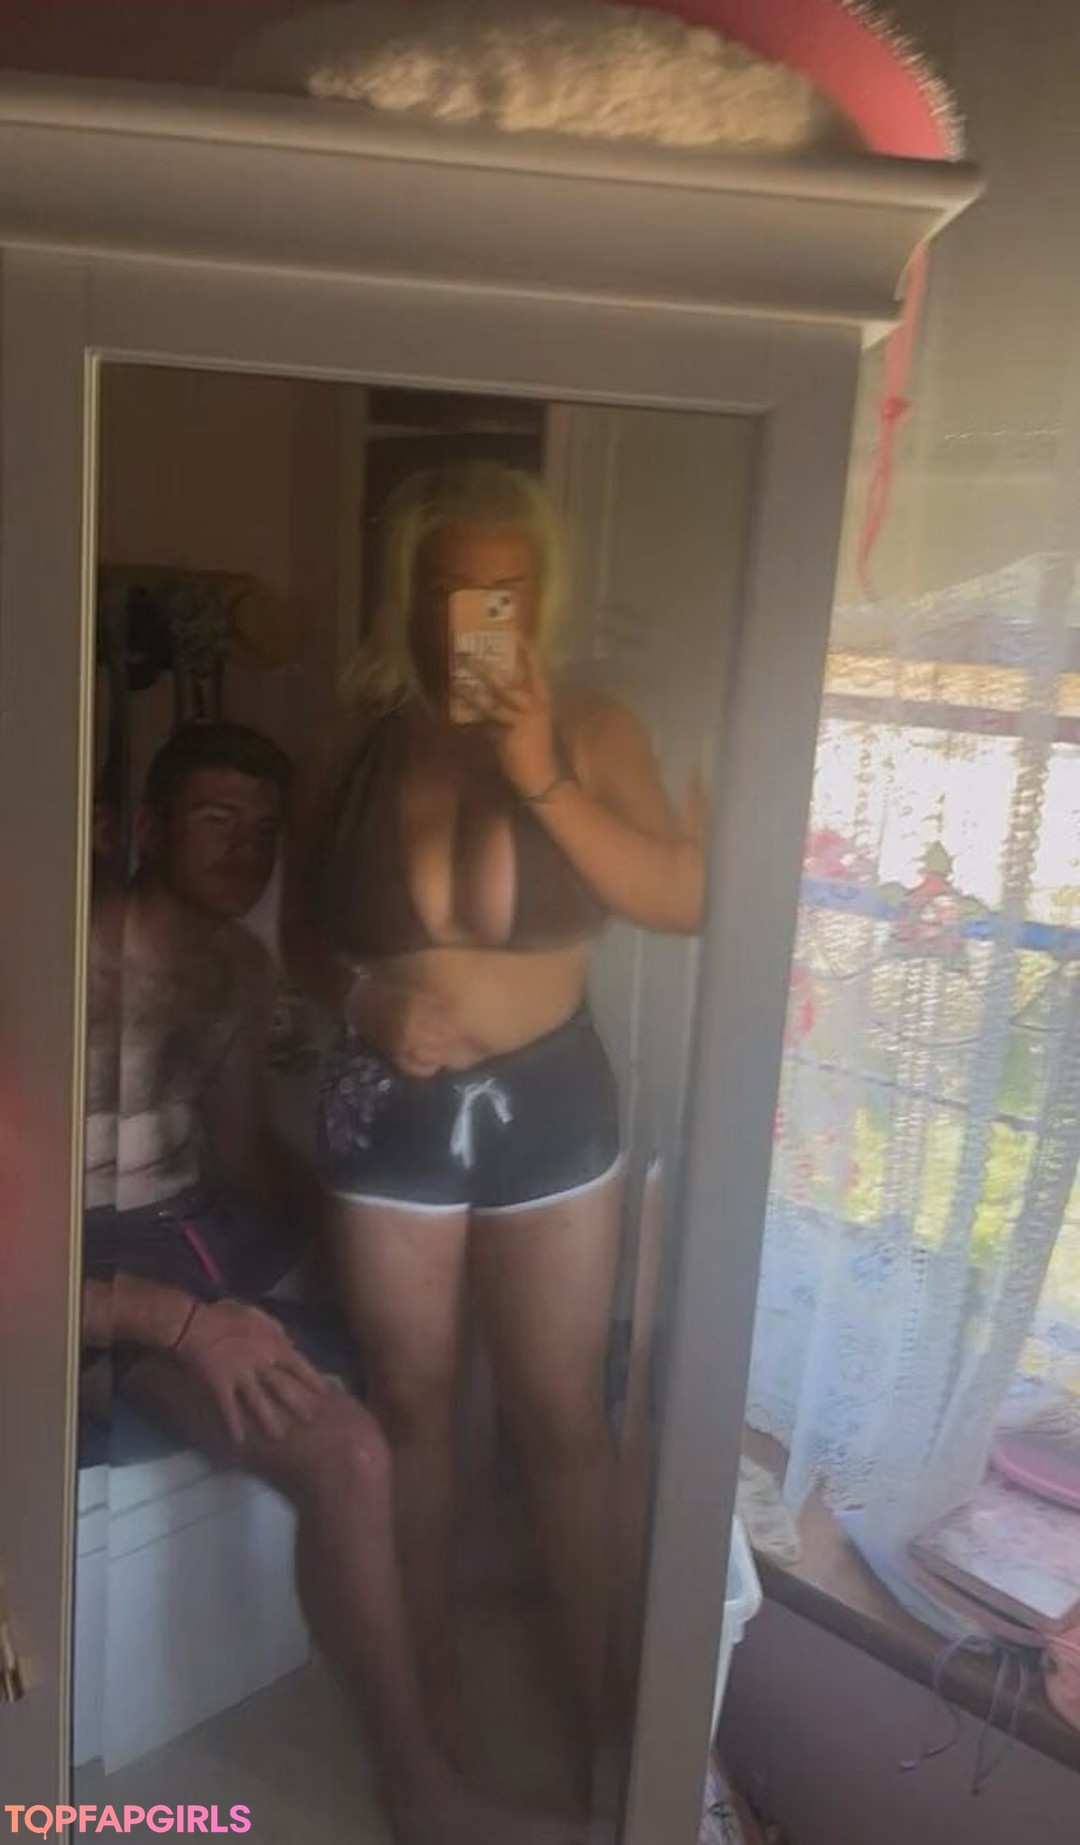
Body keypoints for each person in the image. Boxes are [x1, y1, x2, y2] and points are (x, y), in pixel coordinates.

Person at [81, 720, 577, 1845]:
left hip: (192, 1233)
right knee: (346, 1450)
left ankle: (441, 1635)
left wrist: (355, 1237)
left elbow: (241, 1153)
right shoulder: (56, 959)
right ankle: (421, 1792)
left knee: (435, 1334)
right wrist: (186, 1323)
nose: (244, 849)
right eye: (215, 817)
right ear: (147, 826)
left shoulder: (238, 968)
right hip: (84, 1284)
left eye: (264, 829)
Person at [283, 463, 707, 1767]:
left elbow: (684, 896)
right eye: (448, 589)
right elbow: (301, 936)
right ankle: (433, 1716)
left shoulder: (593, 725)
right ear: (408, 596)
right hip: (388, 1107)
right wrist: (363, 1002)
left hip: (552, 1107)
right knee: (413, 1406)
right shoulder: (352, 737)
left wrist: (537, 773)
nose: (474, 616)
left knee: (561, 1418)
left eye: (503, 591)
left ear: (541, 596)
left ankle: (608, 1729)